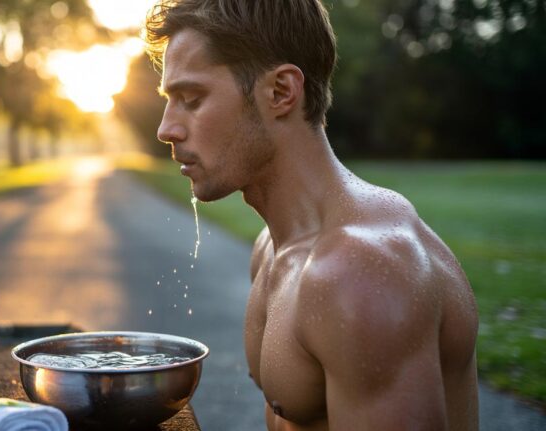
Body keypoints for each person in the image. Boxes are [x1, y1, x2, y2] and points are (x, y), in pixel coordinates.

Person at [144, 1, 479, 430]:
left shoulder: (360, 274)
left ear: (281, 92)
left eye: (191, 99)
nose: (166, 129)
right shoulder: (272, 248)